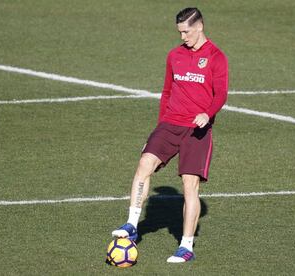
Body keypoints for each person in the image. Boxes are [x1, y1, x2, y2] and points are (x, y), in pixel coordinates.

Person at [112, 7, 229, 263]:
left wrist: (207, 114)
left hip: (197, 130)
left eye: (186, 31)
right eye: (179, 32)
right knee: (144, 163)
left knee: (190, 185)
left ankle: (186, 246)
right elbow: (166, 92)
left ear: (199, 26)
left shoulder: (216, 57)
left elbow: (221, 94)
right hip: (169, 123)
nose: (182, 37)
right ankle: (132, 224)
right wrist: (158, 128)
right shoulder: (175, 55)